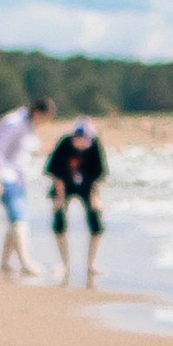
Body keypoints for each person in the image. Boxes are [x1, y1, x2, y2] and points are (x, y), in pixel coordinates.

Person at [0, 94, 53, 278]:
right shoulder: (14, 123)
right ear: (38, 113)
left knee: (15, 221)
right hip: (3, 175)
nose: (47, 123)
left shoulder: (29, 126)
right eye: (47, 118)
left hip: (17, 176)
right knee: (20, 219)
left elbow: (25, 152)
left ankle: (5, 262)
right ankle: (26, 263)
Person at [47, 114, 108, 285]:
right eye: (80, 139)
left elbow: (99, 174)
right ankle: (64, 264)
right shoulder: (65, 143)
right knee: (59, 221)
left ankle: (91, 264)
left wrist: (94, 197)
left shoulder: (95, 145)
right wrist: (59, 199)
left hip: (87, 185)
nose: (82, 143)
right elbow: (55, 172)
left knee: (96, 222)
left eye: (85, 139)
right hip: (64, 184)